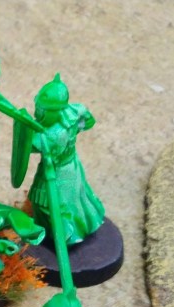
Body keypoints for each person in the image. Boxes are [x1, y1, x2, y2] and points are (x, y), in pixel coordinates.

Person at [26, 74, 105, 245]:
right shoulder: (75, 112)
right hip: (70, 165)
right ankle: (48, 232)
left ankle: (66, 237)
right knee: (64, 202)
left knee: (55, 206)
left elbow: (31, 146)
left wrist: (26, 131)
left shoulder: (55, 134)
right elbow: (88, 121)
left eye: (43, 109)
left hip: (58, 172)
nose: (38, 112)